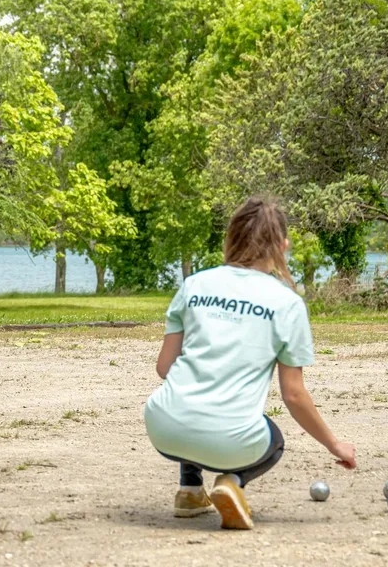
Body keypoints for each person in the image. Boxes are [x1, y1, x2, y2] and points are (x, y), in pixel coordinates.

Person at [143, 197, 356, 530]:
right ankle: (232, 482)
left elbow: (164, 367)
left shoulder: (194, 285)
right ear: (282, 246)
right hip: (233, 440)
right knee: (274, 441)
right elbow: (294, 396)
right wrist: (334, 444)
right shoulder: (287, 304)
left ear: (231, 238)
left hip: (164, 427)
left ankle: (189, 490)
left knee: (193, 402)